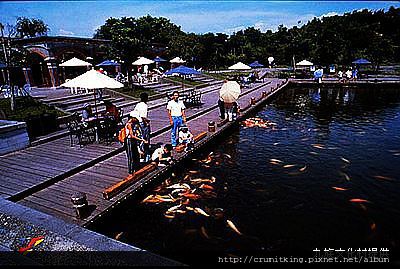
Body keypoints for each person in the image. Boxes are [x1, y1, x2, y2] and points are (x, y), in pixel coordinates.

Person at [132, 92, 151, 162]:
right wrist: (147, 122)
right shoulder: (145, 106)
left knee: (139, 139)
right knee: (145, 138)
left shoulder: (138, 104)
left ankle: (140, 155)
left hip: (137, 123)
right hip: (142, 123)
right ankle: (145, 156)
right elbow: (143, 117)